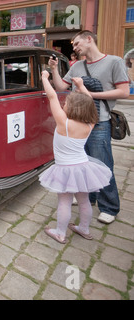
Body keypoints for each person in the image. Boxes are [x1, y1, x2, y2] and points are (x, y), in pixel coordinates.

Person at [48, 30, 130, 225]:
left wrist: (89, 95)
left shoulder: (114, 62)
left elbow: (124, 91)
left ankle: (109, 207)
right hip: (76, 123)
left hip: (99, 122)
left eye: (76, 44)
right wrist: (53, 70)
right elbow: (61, 87)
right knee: (82, 164)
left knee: (102, 164)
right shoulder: (77, 66)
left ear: (89, 39)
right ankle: (89, 198)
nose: (74, 48)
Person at [40, 70, 112, 244]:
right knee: (84, 200)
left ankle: (60, 233)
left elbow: (52, 97)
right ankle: (84, 229)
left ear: (70, 108)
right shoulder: (90, 123)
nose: (64, 104)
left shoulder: (63, 122)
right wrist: (81, 87)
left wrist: (44, 78)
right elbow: (90, 102)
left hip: (65, 169)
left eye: (67, 103)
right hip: (83, 167)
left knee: (64, 202)